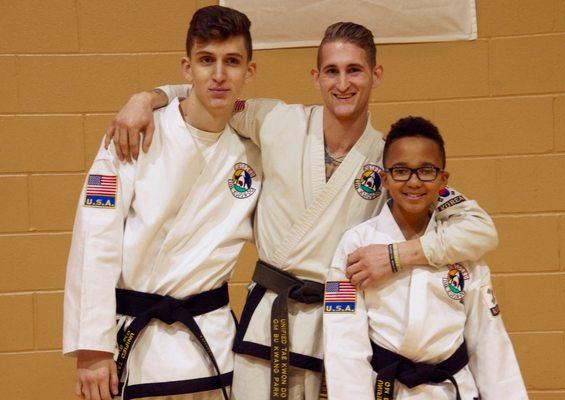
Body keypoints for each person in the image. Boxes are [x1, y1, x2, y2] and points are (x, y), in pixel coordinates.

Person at [105, 22, 498, 400]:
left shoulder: (390, 158)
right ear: (316, 77)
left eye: (354, 71)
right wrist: (148, 97)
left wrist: (397, 256)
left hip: (342, 324)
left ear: (375, 75)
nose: (342, 83)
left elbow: (480, 230)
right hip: (269, 320)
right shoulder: (276, 119)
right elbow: (210, 91)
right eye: (332, 71)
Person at [63, 6, 260, 400]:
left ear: (249, 71)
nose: (219, 75)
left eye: (232, 62)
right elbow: (94, 241)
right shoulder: (132, 135)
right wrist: (92, 349)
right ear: (187, 68)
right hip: (137, 345)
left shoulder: (255, 150)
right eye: (207, 61)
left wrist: (149, 93)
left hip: (212, 346)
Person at [323, 117, 527, 400]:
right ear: (384, 179)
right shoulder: (356, 244)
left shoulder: (459, 246)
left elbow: (489, 341)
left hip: (452, 390)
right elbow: (344, 344)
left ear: (443, 180)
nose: (414, 182)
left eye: (426, 171)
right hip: (385, 389)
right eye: (401, 171)